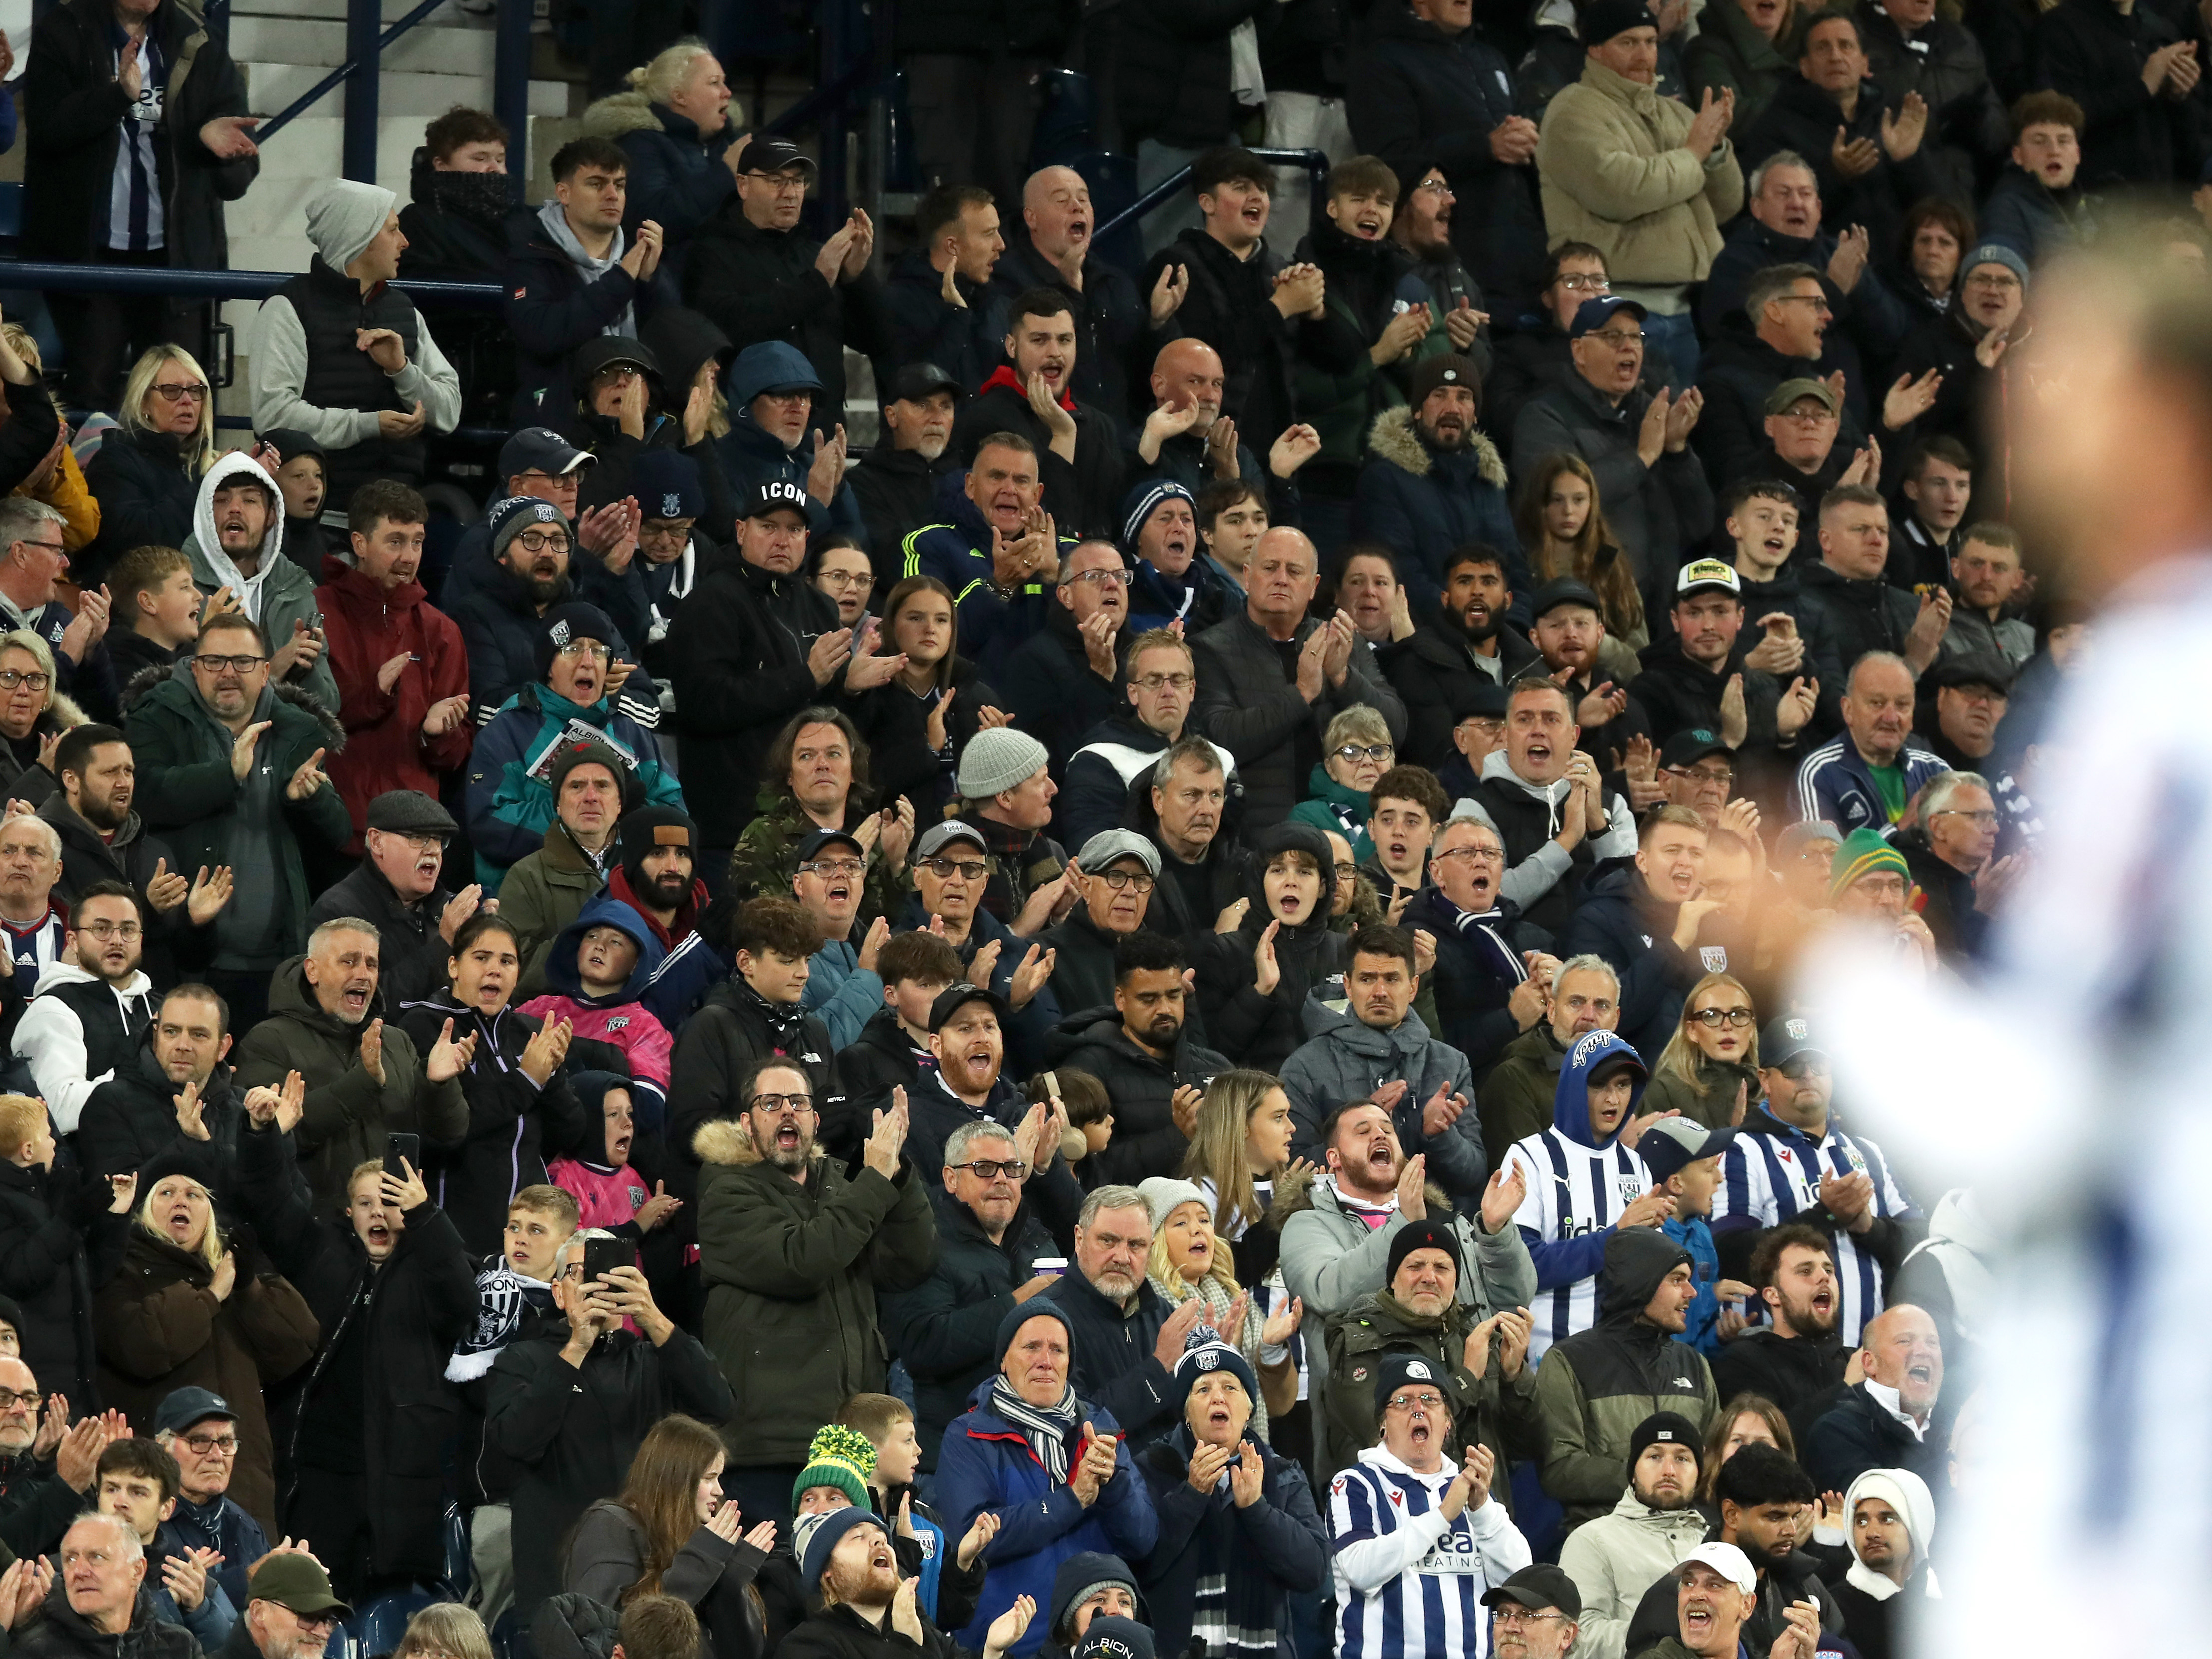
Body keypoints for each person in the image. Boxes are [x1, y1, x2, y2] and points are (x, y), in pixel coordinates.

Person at [232, 1119, 475, 1604]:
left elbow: (464, 1304)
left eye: (389, 1201)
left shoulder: (429, 1262)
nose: (378, 1212)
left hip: (399, 1478)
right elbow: (271, 1198)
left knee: (391, 1611)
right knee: (317, 1604)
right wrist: (260, 1136)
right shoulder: (324, 1252)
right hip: (323, 1473)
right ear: (349, 1211)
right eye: (366, 1203)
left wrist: (426, 1214)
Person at [486, 1224, 734, 1625]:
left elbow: (719, 1406)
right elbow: (515, 1440)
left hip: (651, 1572)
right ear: (557, 1293)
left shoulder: (654, 1361)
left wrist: (652, 1317)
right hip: (555, 1579)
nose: (594, 1285)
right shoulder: (523, 1361)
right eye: (578, 1274)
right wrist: (578, 1346)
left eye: (608, 1273)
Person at [20, 0, 257, 412]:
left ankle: (178, 479)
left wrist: (217, 149)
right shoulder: (65, 29)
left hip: (176, 263)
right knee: (91, 400)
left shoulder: (198, 38)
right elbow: (48, 130)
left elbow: (238, 172)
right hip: (92, 259)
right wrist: (118, 97)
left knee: (180, 403)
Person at [124, 615, 351, 1027]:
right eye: (214, 661)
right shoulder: (156, 715)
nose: (229, 673)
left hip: (279, 960)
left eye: (243, 662)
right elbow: (146, 797)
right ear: (194, 667)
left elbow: (339, 834)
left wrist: (312, 799)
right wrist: (227, 774)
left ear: (266, 670)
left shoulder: (297, 731)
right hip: (185, 952)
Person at [667, 479, 897, 864]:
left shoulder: (820, 606)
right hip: (735, 830)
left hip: (813, 825)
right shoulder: (709, 603)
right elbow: (704, 703)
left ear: (807, 538)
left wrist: (851, 689)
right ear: (741, 531)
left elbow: (824, 712)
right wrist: (804, 678)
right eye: (769, 526)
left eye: (793, 530)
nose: (782, 540)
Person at [92, 1155, 318, 1531]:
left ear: (210, 1215)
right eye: (166, 1192)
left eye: (195, 1195)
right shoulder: (122, 1267)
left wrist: (249, 1286)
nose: (181, 1200)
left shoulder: (235, 1270)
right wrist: (211, 1295)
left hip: (242, 1478)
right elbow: (141, 1345)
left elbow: (299, 1343)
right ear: (146, 1211)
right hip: (159, 1485)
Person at [1533, 0, 1746, 389]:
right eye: (1628, 43)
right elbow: (1621, 191)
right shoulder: (1572, 111)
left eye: (1650, 42)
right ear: (1594, 49)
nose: (1644, 54)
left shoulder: (1675, 114)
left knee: (1678, 440)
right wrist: (1693, 154)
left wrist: (1714, 149)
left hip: (1683, 311)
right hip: (1615, 313)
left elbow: (1727, 205)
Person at [935, 1300, 1157, 1658]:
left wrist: (1113, 1482)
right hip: (1008, 1642)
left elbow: (1143, 1538)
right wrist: (1071, 1501)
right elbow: (974, 1536)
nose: (1046, 1360)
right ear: (1004, 1360)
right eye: (1031, 1347)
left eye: (1057, 1349)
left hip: (1092, 1646)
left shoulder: (1100, 1429)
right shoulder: (969, 1435)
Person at [1139, 147, 1367, 459]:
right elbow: (1200, 362)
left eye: (1262, 189)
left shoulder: (1279, 269)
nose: (1257, 197)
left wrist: (1317, 313)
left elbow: (1346, 360)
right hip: (1202, 454)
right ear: (1208, 203)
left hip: (1277, 455)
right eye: (1241, 187)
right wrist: (1280, 308)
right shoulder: (1177, 266)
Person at [231, 915, 470, 1213]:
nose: (363, 974)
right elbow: (271, 1136)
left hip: (394, 1225)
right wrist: (364, 1081)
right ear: (313, 971)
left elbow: (448, 1137)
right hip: (315, 1228)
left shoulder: (396, 1042)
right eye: (349, 962)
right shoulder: (268, 1041)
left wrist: (438, 1085)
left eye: (371, 964)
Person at [1711, 1014, 1917, 1347]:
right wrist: (1826, 1216)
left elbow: (1918, 1243)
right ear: (1765, 1079)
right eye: (1793, 1068)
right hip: (1780, 1357)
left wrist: (1866, 1227)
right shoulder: (1743, 1150)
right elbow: (1730, 1251)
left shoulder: (1866, 1152)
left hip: (1866, 1358)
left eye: (1817, 1065)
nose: (1808, 1076)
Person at [252, 180, 464, 503]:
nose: (405, 242)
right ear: (360, 238)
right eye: (393, 230)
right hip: (323, 508)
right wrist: (368, 425)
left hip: (399, 508)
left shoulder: (404, 310)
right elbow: (274, 415)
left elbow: (448, 413)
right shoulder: (288, 307)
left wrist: (402, 370)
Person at [1316, 1212, 1544, 1501]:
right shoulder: (1357, 1345)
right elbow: (1390, 1441)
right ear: (1392, 1280)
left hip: (1484, 1520)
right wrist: (1466, 1379)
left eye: (1442, 1268)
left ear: (1455, 1281)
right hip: (1395, 1524)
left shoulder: (1476, 1340)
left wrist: (1515, 1379)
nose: (1429, 1278)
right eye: (1415, 1266)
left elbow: (1530, 1445)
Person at [1130, 1326, 1328, 1659]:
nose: (1218, 1397)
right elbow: (1140, 1565)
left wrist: (1257, 1510)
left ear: (1248, 1410)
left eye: (1230, 1387)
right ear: (1186, 1415)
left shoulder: (1282, 1473)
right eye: (1203, 1389)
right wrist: (1192, 1494)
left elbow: (1312, 1571)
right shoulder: (1150, 1467)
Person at [1343, 0, 1548, 316]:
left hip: (1523, 258)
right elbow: (1390, 160)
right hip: (1452, 263)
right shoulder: (1381, 61)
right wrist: (1485, 148)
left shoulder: (1490, 57)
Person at [1192, 528, 1405, 831]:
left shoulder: (1344, 642)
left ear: (1313, 586)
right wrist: (1301, 693)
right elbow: (1219, 740)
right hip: (1252, 834)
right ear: (1248, 576)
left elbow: (1394, 728)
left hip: (1346, 831)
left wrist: (1342, 677)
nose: (1281, 578)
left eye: (1294, 571)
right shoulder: (1209, 649)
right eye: (1270, 568)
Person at [465, 601, 685, 892]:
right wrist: (578, 812)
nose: (588, 661)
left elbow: (678, 822)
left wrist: (634, 812)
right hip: (532, 902)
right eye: (572, 649)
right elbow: (489, 825)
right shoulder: (506, 733)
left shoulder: (633, 735)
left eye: (598, 651)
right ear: (548, 668)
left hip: (626, 901)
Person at [1329, 1353, 1533, 1659]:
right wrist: (1442, 1516)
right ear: (1382, 1424)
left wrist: (1483, 1513)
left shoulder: (1470, 1489)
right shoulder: (1356, 1484)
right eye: (1402, 1401)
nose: (1418, 1408)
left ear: (1447, 1422)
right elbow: (1360, 1569)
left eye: (1430, 1398)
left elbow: (1520, 1580)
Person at [315, 482, 471, 851]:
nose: (409, 556)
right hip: (334, 831)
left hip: (412, 838)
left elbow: (456, 753)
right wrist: (374, 695)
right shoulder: (316, 612)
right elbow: (305, 722)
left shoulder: (442, 631)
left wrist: (436, 735)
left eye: (417, 542)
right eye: (395, 541)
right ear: (359, 544)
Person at [1532, 1227, 1718, 1532]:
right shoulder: (1569, 1361)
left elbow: (1715, 1459)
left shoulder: (1694, 1364)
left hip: (1691, 1539)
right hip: (1606, 1539)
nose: (1692, 1292)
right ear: (1640, 1285)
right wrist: (1648, 1476)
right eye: (1677, 1280)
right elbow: (1559, 1468)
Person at [1279, 922, 1486, 1189]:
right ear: (1348, 986)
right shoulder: (1303, 1067)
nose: (1379, 992)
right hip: (1342, 1223)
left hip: (1432, 1221)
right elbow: (1292, 1169)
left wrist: (1440, 1136)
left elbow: (1475, 1176)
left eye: (1391, 979)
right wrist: (1358, 1123)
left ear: (1412, 988)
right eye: (1367, 979)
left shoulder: (1451, 1063)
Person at [1502, 1030, 1665, 1363]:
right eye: (1599, 1086)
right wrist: (1617, 1236)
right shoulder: (1527, 1158)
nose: (1613, 1099)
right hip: (1545, 1358)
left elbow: (1646, 1280)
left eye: (1622, 1086)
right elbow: (1523, 1267)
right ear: (1574, 1089)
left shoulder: (1636, 1167)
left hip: (1622, 1361)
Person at [564, 1412, 776, 1659]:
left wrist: (730, 1583)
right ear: (676, 1480)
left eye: (719, 1478)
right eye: (709, 1478)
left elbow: (744, 1654)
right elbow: (607, 1635)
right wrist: (701, 1561)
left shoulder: (704, 1537)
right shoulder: (610, 1526)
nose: (719, 1491)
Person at [1738, 9, 1940, 264]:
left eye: (1846, 46)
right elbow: (1763, 214)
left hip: (1896, 271)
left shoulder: (1888, 118)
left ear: (1864, 63)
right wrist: (1834, 176)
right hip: (1820, 271)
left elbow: (1932, 210)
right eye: (1823, 48)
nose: (1836, 56)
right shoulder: (1777, 127)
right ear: (1805, 67)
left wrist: (1908, 161)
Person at [1042, 934, 1230, 1190]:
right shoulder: (1087, 1070)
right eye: (1148, 999)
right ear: (1120, 999)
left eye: (1174, 996)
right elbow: (1089, 1170)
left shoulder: (1216, 1066)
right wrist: (1179, 1136)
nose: (1164, 1009)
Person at [507, 137, 672, 426]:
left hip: (642, 415)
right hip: (562, 419)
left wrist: (649, 282)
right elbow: (543, 333)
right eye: (596, 184)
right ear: (564, 193)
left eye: (619, 186)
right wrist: (623, 278)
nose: (612, 195)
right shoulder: (533, 254)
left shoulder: (641, 255)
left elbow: (671, 340)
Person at [1468, 677, 1639, 933]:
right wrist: (1567, 840)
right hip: (1519, 962)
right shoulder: (1474, 810)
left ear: (1574, 736)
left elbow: (1634, 901)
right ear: (1506, 734)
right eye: (1525, 719)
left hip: (1600, 961)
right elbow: (1486, 901)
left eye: (1551, 719)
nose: (1538, 730)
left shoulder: (1613, 804)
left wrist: (1598, 825)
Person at [0, 1090, 133, 1417]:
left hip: (78, 1386)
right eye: (48, 1134)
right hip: (30, 1394)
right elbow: (17, 1275)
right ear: (28, 1150)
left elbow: (96, 1274)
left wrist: (116, 1216)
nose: (56, 1143)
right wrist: (68, 1222)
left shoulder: (56, 1196)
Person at [951, 290, 1123, 540]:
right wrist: (1063, 436)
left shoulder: (1100, 425)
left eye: (1065, 340)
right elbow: (1033, 519)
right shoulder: (986, 420)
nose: (1055, 352)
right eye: (1040, 340)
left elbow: (1118, 517)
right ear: (1012, 346)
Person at [178, 452, 339, 718]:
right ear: (207, 514)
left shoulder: (295, 589)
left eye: (250, 500)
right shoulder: (180, 586)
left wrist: (302, 669)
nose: (235, 508)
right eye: (221, 500)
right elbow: (171, 703)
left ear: (272, 516)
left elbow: (329, 706)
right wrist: (271, 672)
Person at [1560, 807, 1726, 1062]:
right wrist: (1676, 944)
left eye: (1696, 853)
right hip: (1634, 1082)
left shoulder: (1716, 923)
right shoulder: (1598, 920)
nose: (1685, 861)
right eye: (1672, 851)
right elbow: (1606, 1019)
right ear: (1642, 861)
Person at [991, 167, 1146, 429]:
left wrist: (1161, 325)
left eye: (1084, 200)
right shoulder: (1007, 285)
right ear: (1032, 218)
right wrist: (1070, 294)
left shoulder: (1114, 281)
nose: (1077, 208)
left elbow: (1141, 367)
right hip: (1043, 436)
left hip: (1116, 440)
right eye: (1062, 201)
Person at [1350, 356, 1516, 596]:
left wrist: (1515, 625)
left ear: (1476, 414)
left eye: (1463, 397)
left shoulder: (1491, 484)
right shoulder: (1385, 480)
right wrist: (1461, 624)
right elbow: (1401, 575)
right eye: (1439, 395)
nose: (1452, 408)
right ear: (1417, 410)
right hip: (1424, 628)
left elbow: (1516, 570)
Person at [1191, 826, 1350, 1075]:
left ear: (1322, 888)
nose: (1291, 882)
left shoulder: (1347, 952)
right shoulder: (1225, 952)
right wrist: (1259, 993)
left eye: (1305, 872)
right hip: (1257, 1106)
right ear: (1259, 883)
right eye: (1277, 870)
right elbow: (1210, 1053)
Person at [396, 109, 518, 429]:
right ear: (440, 165)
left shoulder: (521, 224)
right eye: (479, 158)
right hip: (455, 373)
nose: (493, 169)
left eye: (500, 159)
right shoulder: (417, 222)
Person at [1556, 1413, 1710, 1659]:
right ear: (1633, 1472)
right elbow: (1574, 1637)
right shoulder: (1592, 1539)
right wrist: (1663, 1638)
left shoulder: (1715, 1542)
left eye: (1682, 1458)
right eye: (1655, 1456)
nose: (1669, 1470)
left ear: (1699, 1475)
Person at [305, 792, 477, 1011]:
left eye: (439, 841)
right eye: (419, 838)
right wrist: (442, 945)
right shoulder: (338, 913)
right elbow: (368, 1005)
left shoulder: (449, 909)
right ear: (377, 842)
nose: (433, 850)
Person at [483, 738, 631, 994]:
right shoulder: (525, 877)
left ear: (619, 804)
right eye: (577, 786)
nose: (591, 797)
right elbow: (515, 973)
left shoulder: (645, 869)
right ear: (558, 805)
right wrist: (582, 934)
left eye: (602, 785)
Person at [12, 882, 158, 1134]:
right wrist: (150, 1074)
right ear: (73, 941)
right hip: (90, 1164)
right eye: (101, 929)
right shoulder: (54, 1009)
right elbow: (58, 1110)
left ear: (141, 939)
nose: (117, 940)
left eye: (128, 930)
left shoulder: (162, 1006)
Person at [593, 42, 740, 265]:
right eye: (714, 83)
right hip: (669, 284)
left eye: (724, 82)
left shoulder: (730, 142)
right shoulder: (640, 143)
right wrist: (726, 172)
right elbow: (654, 220)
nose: (727, 93)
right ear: (679, 96)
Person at [82, 347, 214, 584]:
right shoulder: (114, 461)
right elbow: (137, 543)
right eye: (172, 391)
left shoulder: (204, 466)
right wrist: (209, 488)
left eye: (196, 391)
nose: (187, 400)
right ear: (143, 403)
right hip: (130, 608)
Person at [1478, 954, 1621, 1161]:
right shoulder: (1514, 1078)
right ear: (1552, 1012)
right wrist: (1616, 1149)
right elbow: (1523, 1178)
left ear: (1616, 1019)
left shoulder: (1629, 1076)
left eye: (1602, 1006)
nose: (1589, 1015)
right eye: (1576, 1003)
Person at [1708, 1227, 1846, 1439]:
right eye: (1805, 1271)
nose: (1824, 1277)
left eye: (1828, 1270)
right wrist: (1847, 1389)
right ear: (1773, 1296)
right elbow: (1766, 1441)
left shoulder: (1852, 1361)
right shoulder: (1742, 1363)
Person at [1791, 651, 1947, 830]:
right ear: (1848, 710)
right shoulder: (1820, 774)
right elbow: (1822, 855)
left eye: (1902, 705)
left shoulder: (1936, 772)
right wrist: (1901, 831)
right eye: (1877, 703)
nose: (1890, 717)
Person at [1800, 1305, 1944, 1493]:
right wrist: (1955, 1463)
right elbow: (1883, 1508)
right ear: (1870, 1363)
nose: (1923, 1351)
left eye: (1932, 1343)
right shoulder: (1836, 1432)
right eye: (1905, 1341)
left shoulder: (1954, 1425)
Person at [152, 1388, 267, 1614]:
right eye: (199, 1441)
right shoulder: (147, 1522)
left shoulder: (246, 1526)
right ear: (163, 1448)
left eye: (225, 1442)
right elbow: (152, 1610)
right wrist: (249, 1579)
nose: (216, 1456)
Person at [848, 369, 960, 579]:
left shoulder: (968, 479)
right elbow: (891, 564)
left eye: (946, 407)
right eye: (922, 406)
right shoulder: (863, 483)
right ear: (892, 416)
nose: (937, 419)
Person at [1829, 1467, 1937, 1659]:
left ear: (1916, 1525)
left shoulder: (1953, 1601)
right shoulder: (1835, 1608)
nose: (1871, 1533)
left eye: (1887, 1519)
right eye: (1861, 1522)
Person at [1979, 91, 2091, 264]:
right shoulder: (2006, 211)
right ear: (2018, 156)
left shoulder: (2096, 209)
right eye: (2039, 142)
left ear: (2077, 154)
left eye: (2063, 141)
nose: (2054, 151)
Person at [1286, 705, 1396, 867]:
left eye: (1378, 751)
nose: (1367, 761)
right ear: (1330, 767)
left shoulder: (1413, 812)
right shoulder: (1307, 818)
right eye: (1351, 751)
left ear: (1392, 762)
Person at [1887, 437, 1973, 595]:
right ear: (1912, 490)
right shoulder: (1891, 549)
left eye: (1961, 485)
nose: (1952, 497)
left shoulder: (1973, 551)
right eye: (1939, 483)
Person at [1939, 524, 2033, 667]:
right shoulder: (1933, 630)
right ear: (1956, 568)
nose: (1986, 576)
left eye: (1999, 568)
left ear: (2017, 579)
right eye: (1977, 564)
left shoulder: (2029, 638)